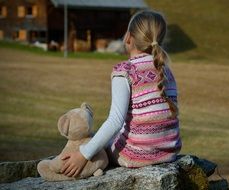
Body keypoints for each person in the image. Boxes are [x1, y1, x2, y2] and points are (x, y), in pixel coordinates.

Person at [60, 10, 182, 177]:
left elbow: (115, 121)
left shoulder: (125, 71)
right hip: (169, 152)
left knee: (89, 140)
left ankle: (67, 162)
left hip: (134, 156)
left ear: (128, 37)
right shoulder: (166, 71)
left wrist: (83, 154)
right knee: (102, 138)